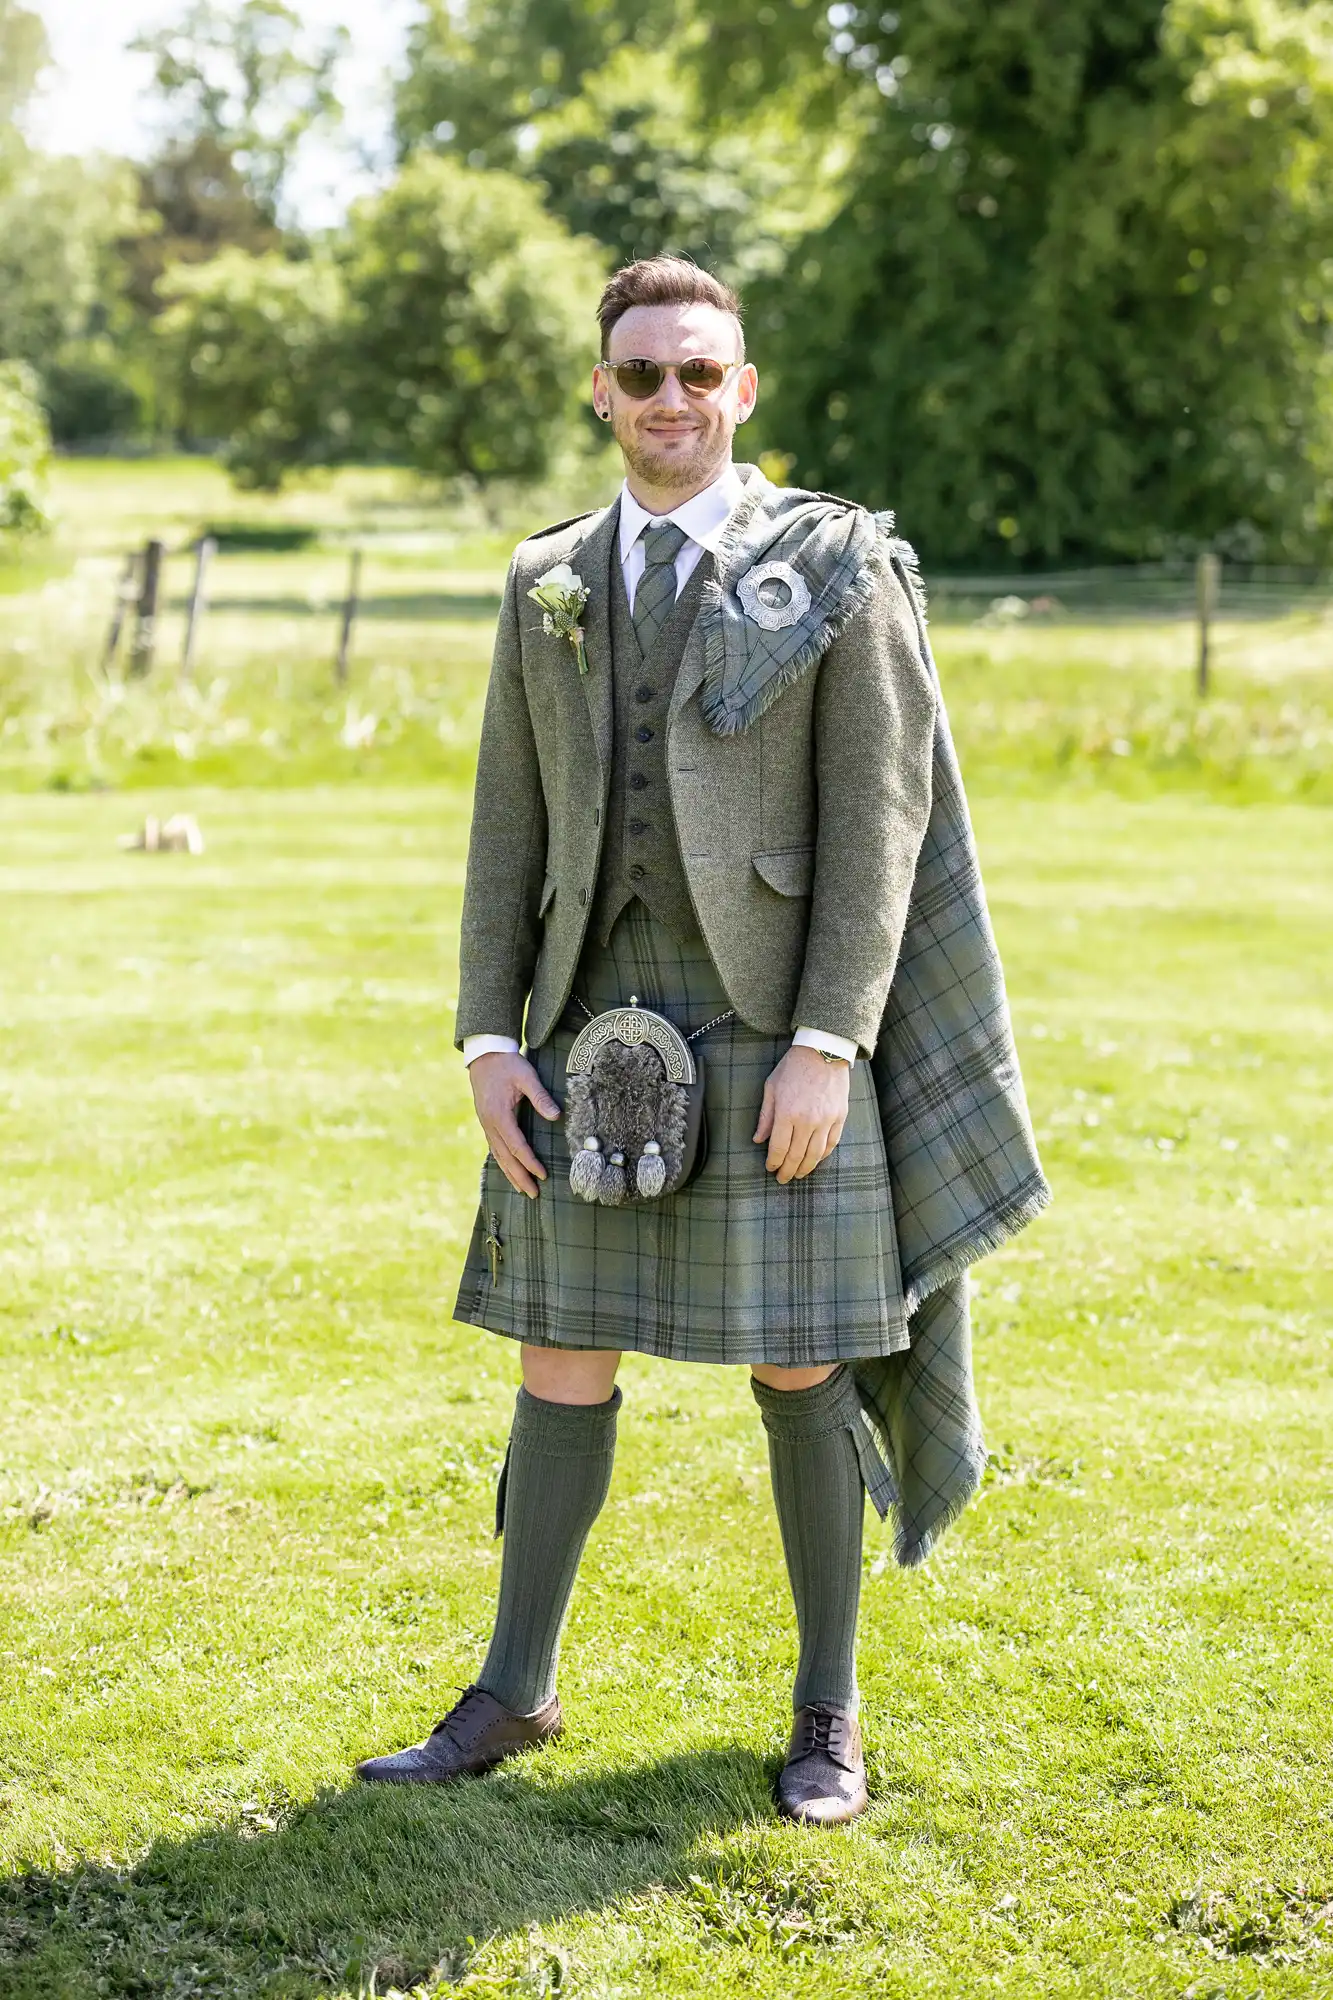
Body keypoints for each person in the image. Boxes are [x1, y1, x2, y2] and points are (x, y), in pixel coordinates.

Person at [355, 257, 1048, 1823]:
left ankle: (828, 1714)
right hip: (583, 1028)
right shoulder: (550, 578)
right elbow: (504, 832)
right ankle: (514, 1691)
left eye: (698, 373)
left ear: (745, 392)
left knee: (806, 1364)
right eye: (641, 373)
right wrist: (484, 1038)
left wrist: (828, 1040)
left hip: (768, 1032)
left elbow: (882, 824)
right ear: (600, 391)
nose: (670, 399)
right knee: (558, 1357)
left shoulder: (836, 571)